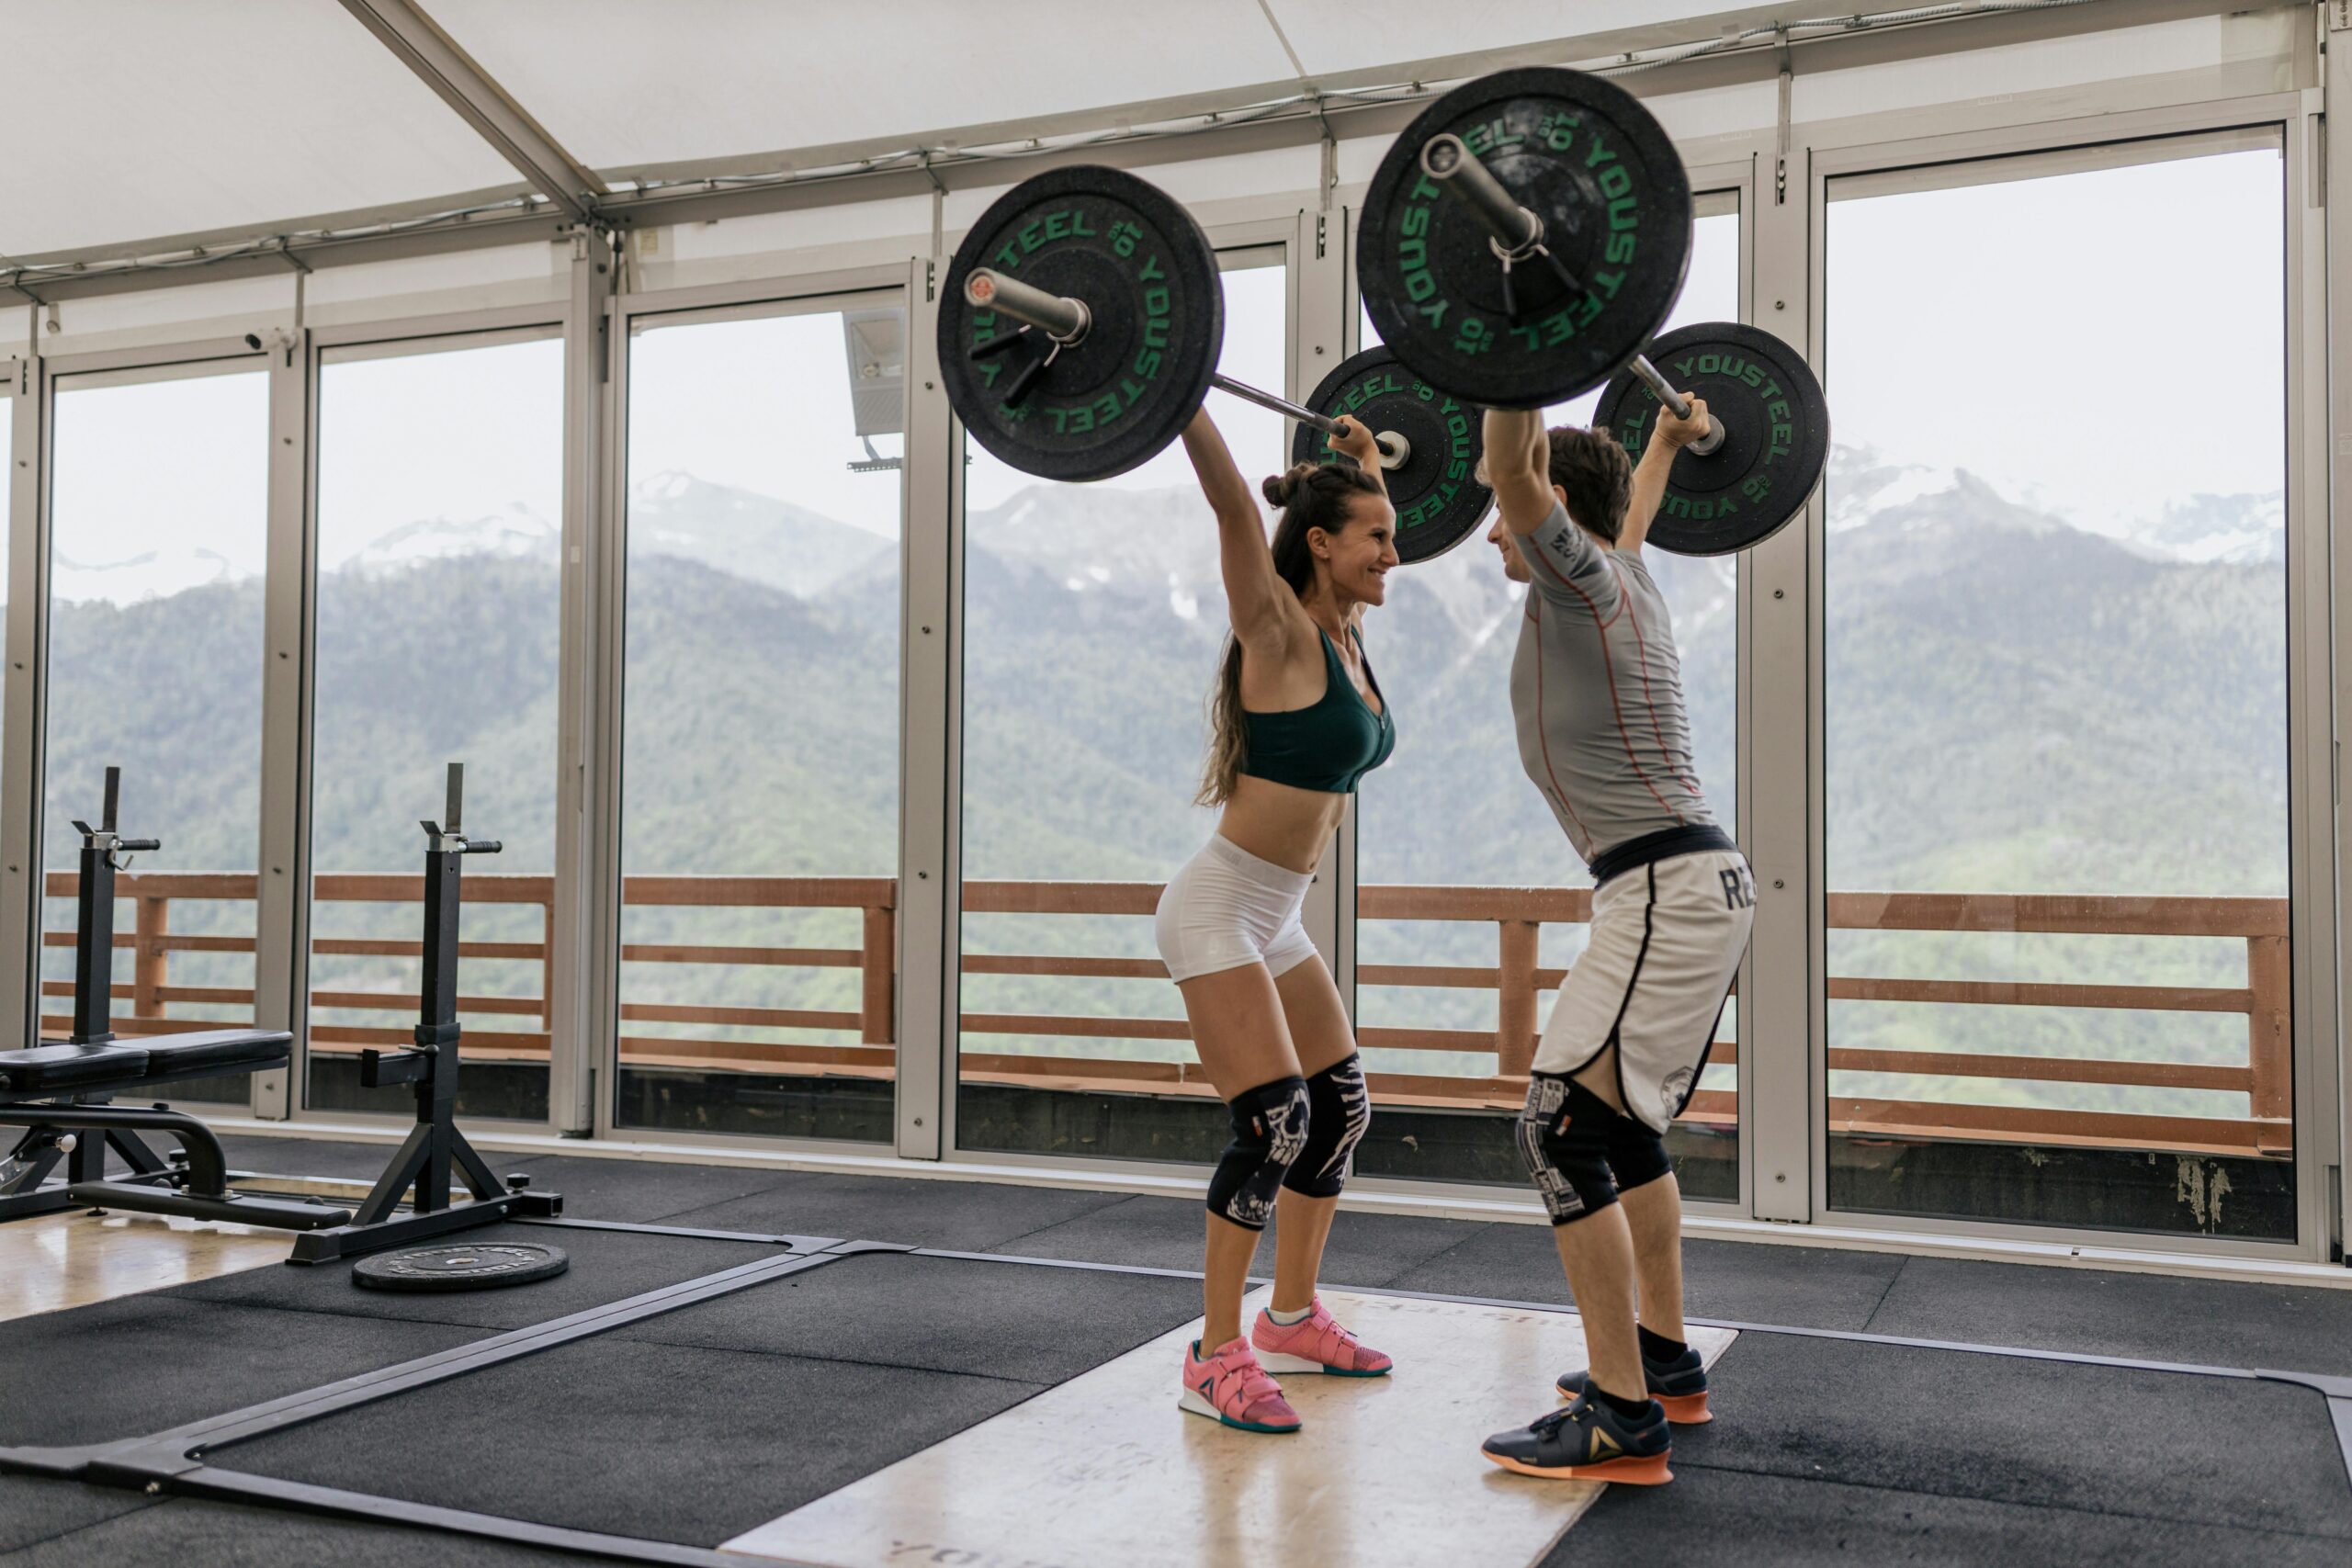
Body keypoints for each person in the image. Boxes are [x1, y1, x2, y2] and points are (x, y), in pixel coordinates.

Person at [1473, 401, 1757, 1483]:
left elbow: (1511, 464)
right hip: (1685, 881)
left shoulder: (1581, 580)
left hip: (1661, 891)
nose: (1495, 528)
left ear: (1553, 515)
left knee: (1556, 1135)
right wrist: (1667, 448)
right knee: (1622, 1127)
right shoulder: (1625, 572)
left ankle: (1621, 1418)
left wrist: (1518, 365)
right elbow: (1627, 509)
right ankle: (1663, 1363)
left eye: (1510, 517)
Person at [1155, 407, 1401, 1435]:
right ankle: (1212, 1356)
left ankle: (1289, 1319)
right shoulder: (1278, 629)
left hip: (1278, 914)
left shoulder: (1347, 632)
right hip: (1219, 908)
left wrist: (1358, 463)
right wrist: (1180, 397)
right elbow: (1226, 503)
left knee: (1340, 1107)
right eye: (1379, 537)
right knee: (1275, 1124)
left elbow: (1356, 508)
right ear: (1318, 546)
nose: (1397, 550)